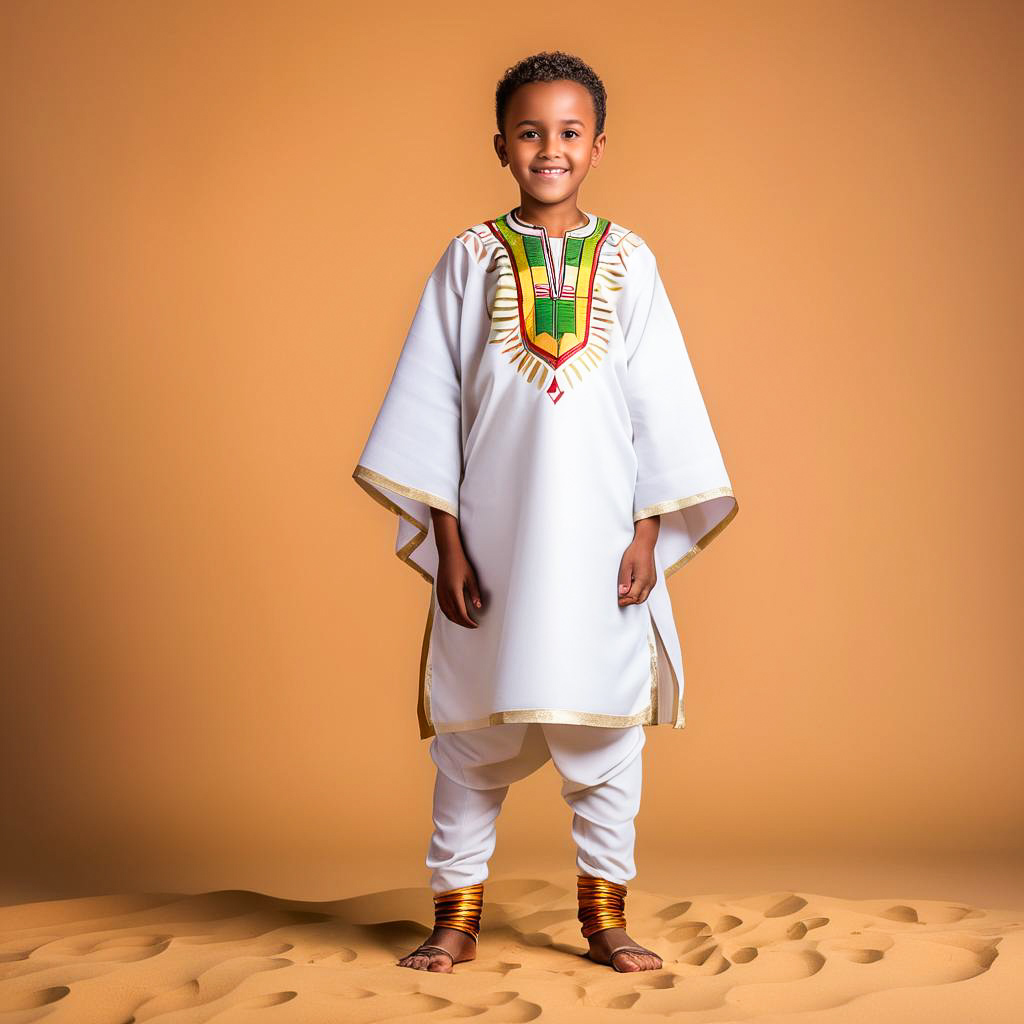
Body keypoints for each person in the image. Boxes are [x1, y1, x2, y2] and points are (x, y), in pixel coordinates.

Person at [352, 50, 738, 974]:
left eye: (569, 133)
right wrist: (447, 545)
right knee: (472, 738)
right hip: (490, 542)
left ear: (598, 147)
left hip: (603, 543)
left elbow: (662, 407)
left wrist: (648, 532)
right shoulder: (469, 259)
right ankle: (455, 918)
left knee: (605, 735)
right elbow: (430, 405)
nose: (550, 149)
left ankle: (604, 917)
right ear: (501, 145)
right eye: (531, 132)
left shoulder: (631, 262)